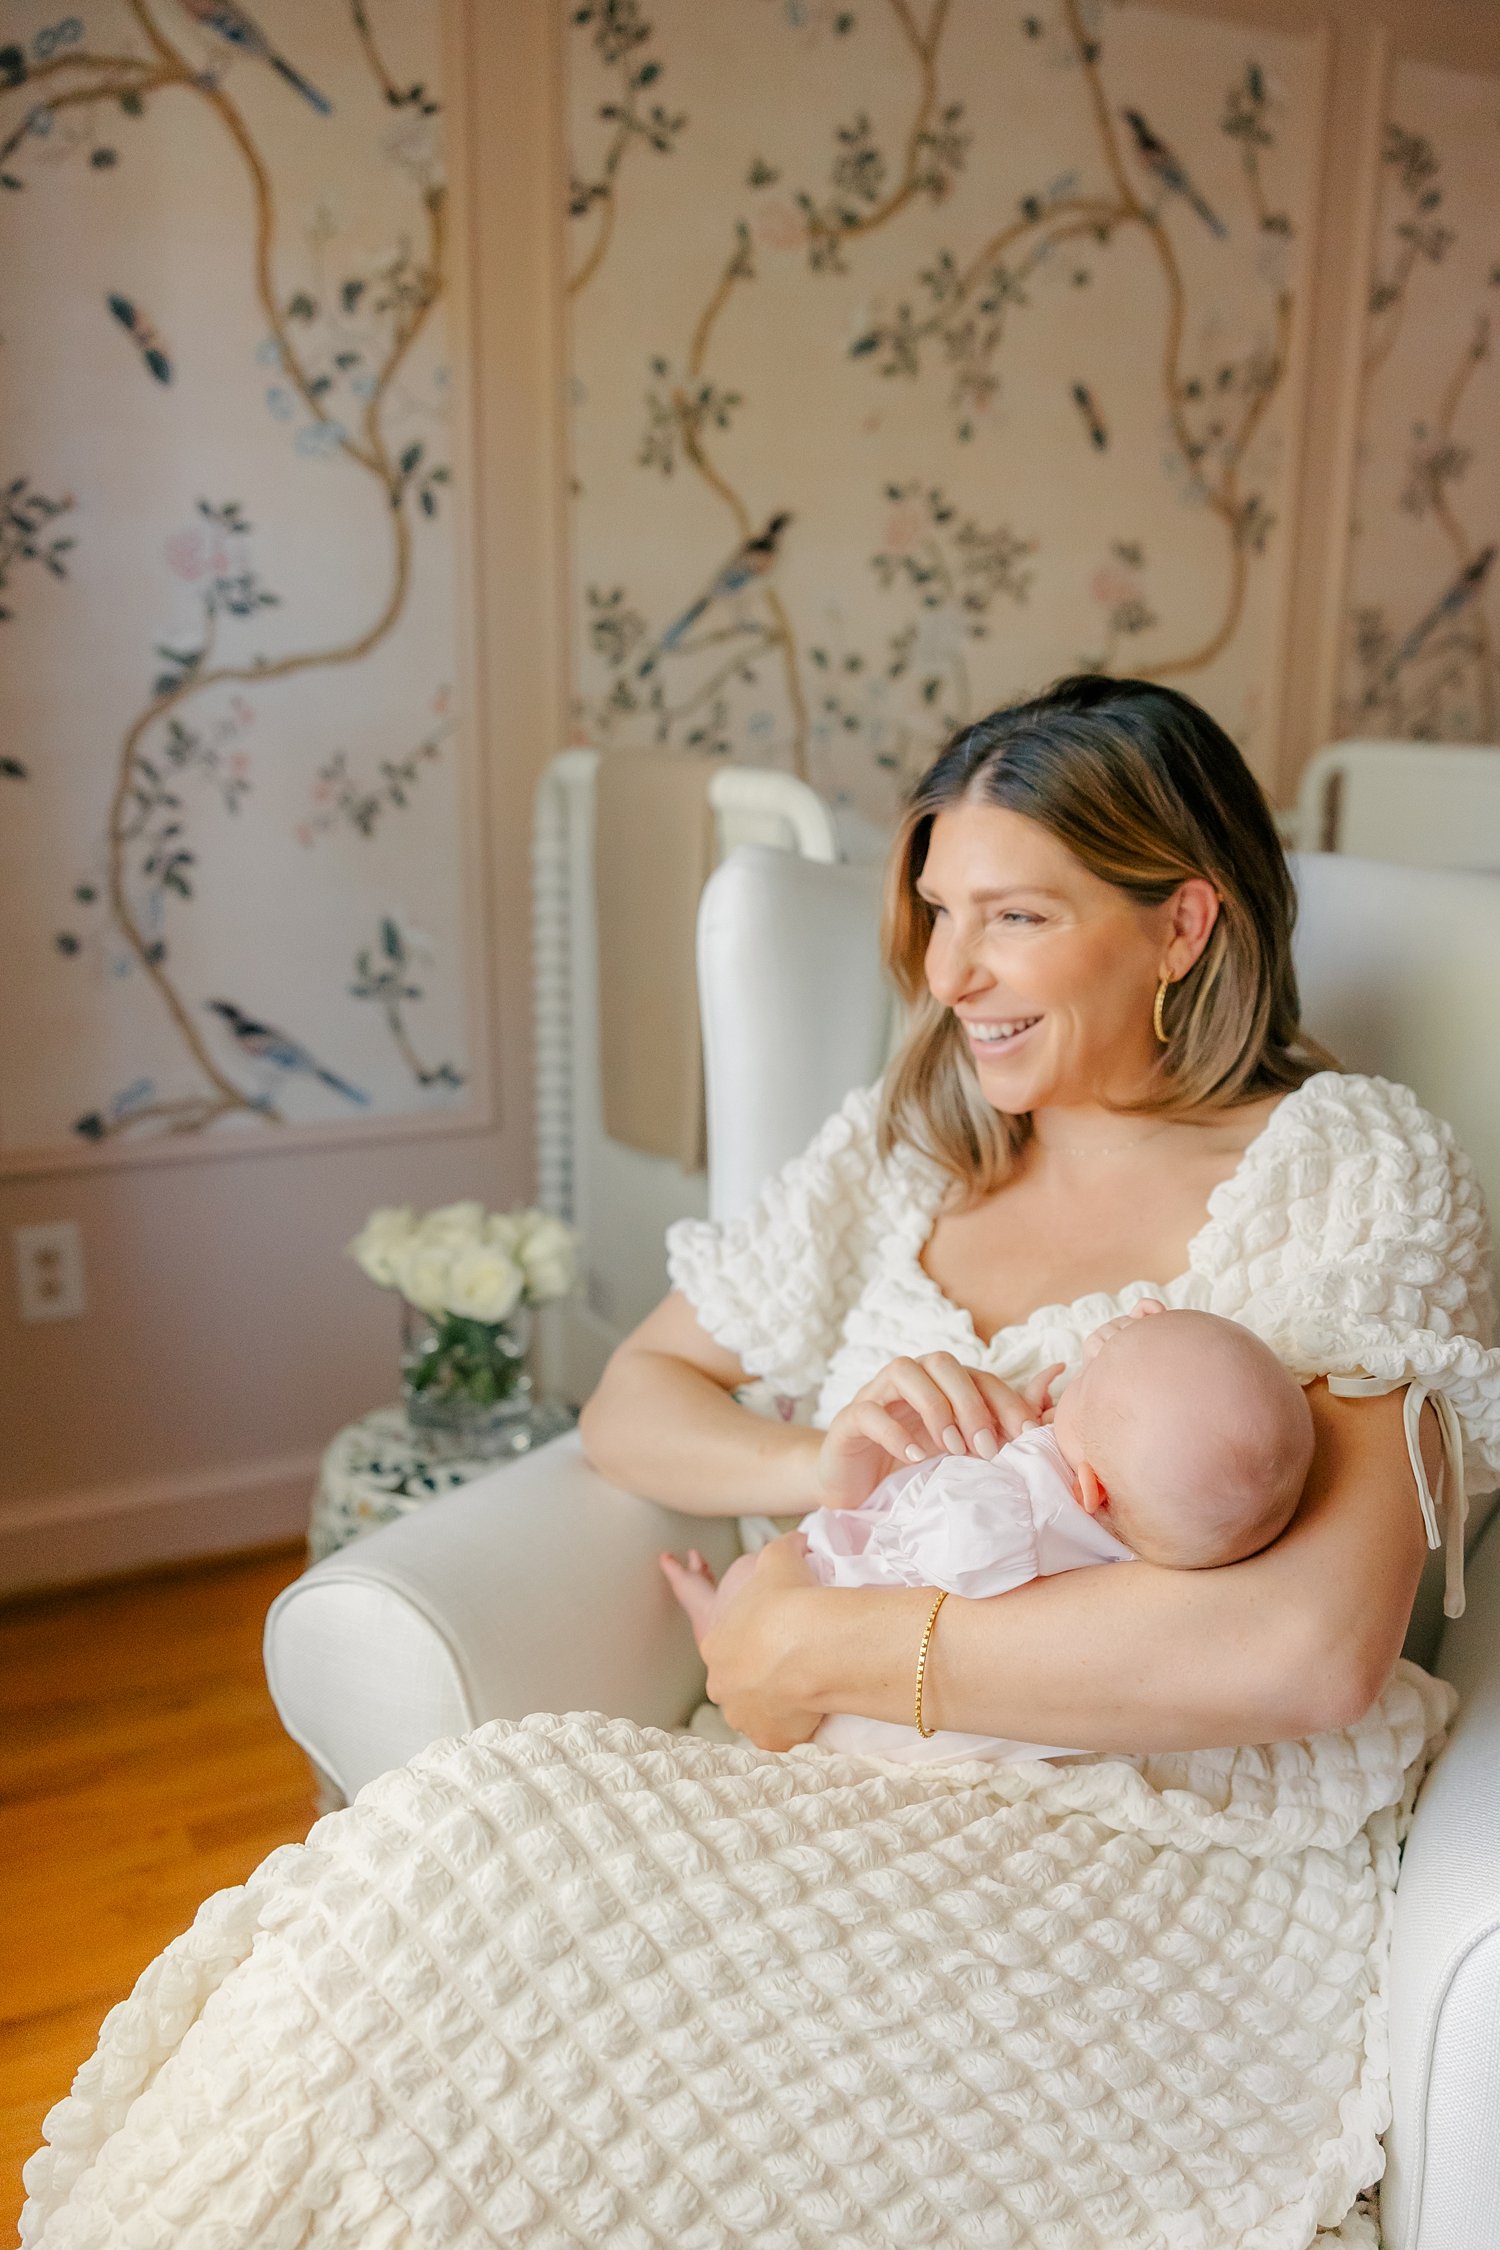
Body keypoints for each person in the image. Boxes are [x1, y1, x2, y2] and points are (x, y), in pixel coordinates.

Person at [580, 673, 1497, 1759]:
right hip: (820, 1773)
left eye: (1014, 917)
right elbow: (629, 1403)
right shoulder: (908, 1144)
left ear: (1182, 928)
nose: (949, 975)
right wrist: (823, 1462)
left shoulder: (1351, 1170)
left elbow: (1309, 1646)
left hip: (1160, 1835)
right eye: (939, 912)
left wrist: (807, 1649)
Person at [659, 1300, 1316, 1765]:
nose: (1078, 1369)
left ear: (1091, 1488)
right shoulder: (1143, 1529)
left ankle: (712, 1619)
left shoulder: (1014, 1507)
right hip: (884, 1676)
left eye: (1078, 1390)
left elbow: (963, 1543)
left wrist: (963, 1471)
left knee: (753, 1580)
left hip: (851, 1636)